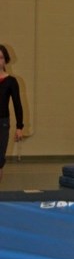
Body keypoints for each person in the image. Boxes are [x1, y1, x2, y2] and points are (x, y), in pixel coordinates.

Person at [0, 44, 24, 183]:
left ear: (5, 60)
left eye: (1, 58)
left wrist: (19, 127)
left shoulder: (11, 81)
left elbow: (17, 105)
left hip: (2, 122)